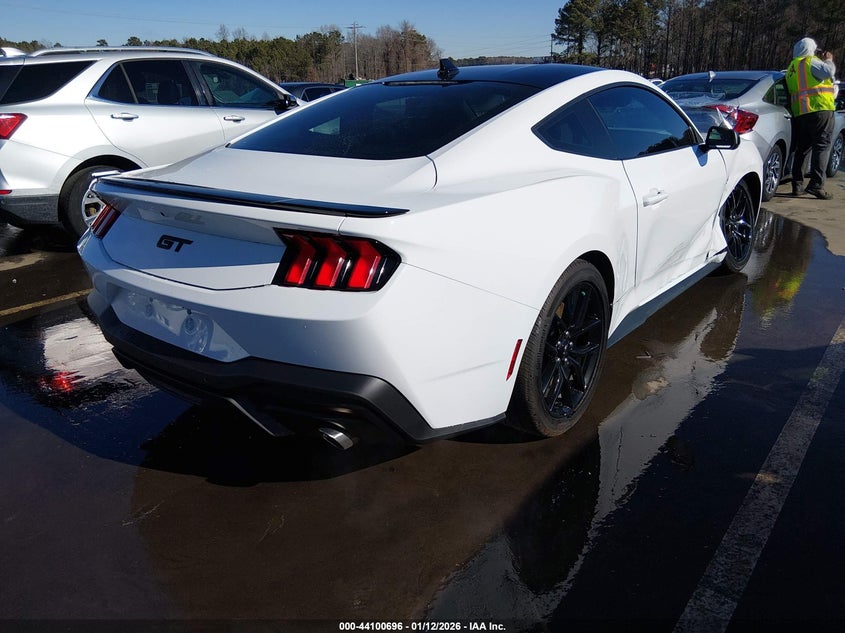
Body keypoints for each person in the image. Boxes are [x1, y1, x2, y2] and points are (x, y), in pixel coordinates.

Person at [786, 37, 837, 200]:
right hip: (820, 109)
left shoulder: (791, 68)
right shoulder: (810, 62)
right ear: (810, 50)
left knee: (803, 149)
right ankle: (816, 185)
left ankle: (797, 185)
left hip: (801, 113)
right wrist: (829, 60)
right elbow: (829, 72)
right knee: (822, 147)